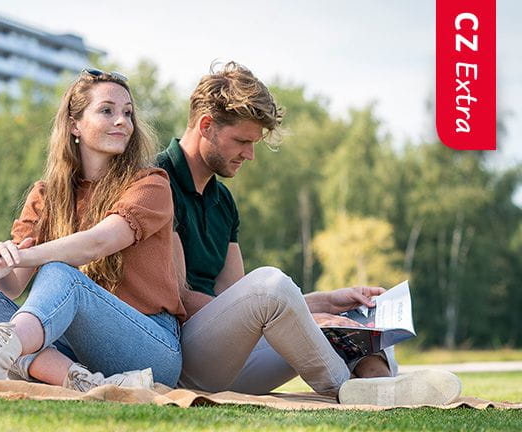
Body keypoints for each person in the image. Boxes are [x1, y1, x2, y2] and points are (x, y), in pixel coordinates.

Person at [157, 61, 461, 405]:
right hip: (184, 355)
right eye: (242, 140)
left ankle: (381, 383)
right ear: (207, 126)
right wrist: (303, 317)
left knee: (350, 315)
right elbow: (178, 298)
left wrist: (324, 303)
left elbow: (233, 296)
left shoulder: (222, 200)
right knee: (271, 283)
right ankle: (348, 389)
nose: (250, 155)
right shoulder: (157, 182)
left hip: (233, 361)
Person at [0, 69, 186, 392]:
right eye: (107, 110)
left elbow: (98, 242)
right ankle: (84, 382)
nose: (122, 121)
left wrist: (23, 255)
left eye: (128, 113)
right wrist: (0, 263)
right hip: (77, 351)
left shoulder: (151, 184)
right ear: (75, 125)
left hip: (152, 347)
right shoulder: (47, 196)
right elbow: (13, 285)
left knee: (59, 272)